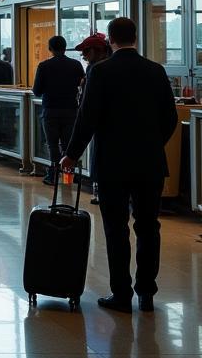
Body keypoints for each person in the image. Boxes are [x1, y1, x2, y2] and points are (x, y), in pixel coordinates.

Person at [61, 18, 177, 313]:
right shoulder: (156, 71)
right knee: (149, 227)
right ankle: (147, 294)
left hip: (112, 164)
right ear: (135, 37)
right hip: (150, 164)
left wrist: (71, 154)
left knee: (116, 229)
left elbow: (87, 119)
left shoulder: (100, 72)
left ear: (110, 39)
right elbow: (170, 119)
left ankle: (122, 294)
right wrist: (152, 144)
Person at [32, 35, 85, 186]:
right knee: (69, 143)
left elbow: (37, 91)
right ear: (65, 47)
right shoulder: (75, 65)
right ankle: (69, 175)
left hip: (50, 110)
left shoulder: (44, 66)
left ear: (50, 49)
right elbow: (81, 83)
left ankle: (53, 175)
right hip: (70, 110)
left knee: (52, 144)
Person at [74, 31, 111, 204]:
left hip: (105, 134)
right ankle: (97, 189)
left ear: (98, 50)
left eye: (86, 51)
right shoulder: (93, 69)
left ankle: (98, 190)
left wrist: (72, 154)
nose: (84, 56)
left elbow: (88, 113)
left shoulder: (98, 70)